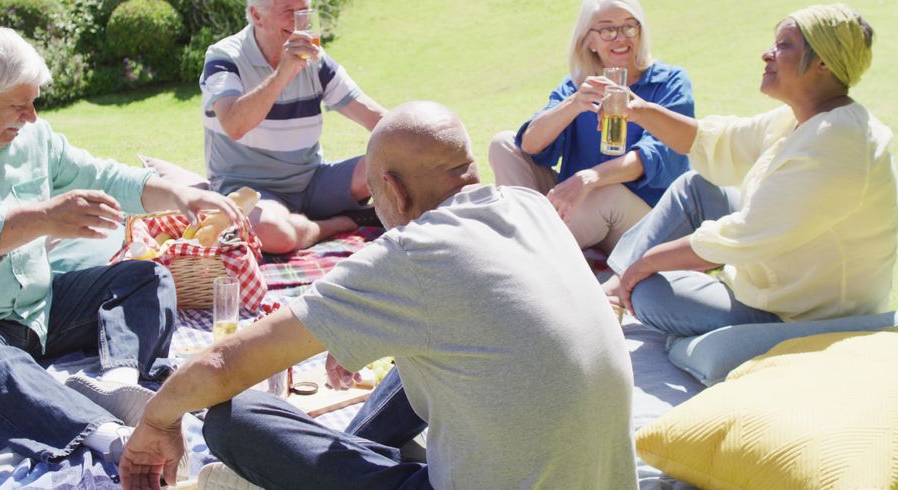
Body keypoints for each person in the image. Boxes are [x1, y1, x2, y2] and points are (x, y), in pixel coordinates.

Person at [119, 101, 638, 489]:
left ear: (390, 188)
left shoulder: (413, 256)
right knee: (439, 352)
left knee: (235, 421)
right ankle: (359, 447)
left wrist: (155, 421)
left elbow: (224, 364)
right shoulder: (532, 207)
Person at [0, 23, 242, 464]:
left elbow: (101, 176)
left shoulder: (32, 137)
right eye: (19, 105)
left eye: (33, 103)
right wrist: (42, 218)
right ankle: (108, 437)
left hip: (33, 312)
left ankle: (117, 382)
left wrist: (179, 194)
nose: (32, 117)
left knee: (146, 277)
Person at [603, 4, 897, 338]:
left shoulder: (835, 141)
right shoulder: (802, 118)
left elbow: (743, 234)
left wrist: (646, 264)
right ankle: (615, 289)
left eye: (784, 45)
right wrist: (637, 110)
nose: (767, 54)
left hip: (802, 312)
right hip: (782, 264)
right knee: (695, 187)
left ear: (823, 62)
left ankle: (623, 287)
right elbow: (716, 140)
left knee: (647, 293)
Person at [488, 0, 694, 254]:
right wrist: (574, 104)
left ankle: (527, 250)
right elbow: (530, 144)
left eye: (629, 27)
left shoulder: (669, 82)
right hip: (580, 208)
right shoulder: (577, 86)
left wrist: (588, 178)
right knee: (502, 144)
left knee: (606, 191)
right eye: (607, 30)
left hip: (643, 221)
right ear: (588, 40)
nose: (620, 38)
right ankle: (534, 242)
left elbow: (654, 157)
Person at [198, 0, 387, 254]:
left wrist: (419, 141)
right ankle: (339, 224)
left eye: (305, 10)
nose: (301, 21)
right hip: (251, 192)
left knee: (394, 160)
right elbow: (234, 124)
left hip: (312, 181)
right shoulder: (224, 58)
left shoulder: (316, 60)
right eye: (288, 11)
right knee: (272, 233)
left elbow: (376, 118)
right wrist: (284, 73)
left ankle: (309, 221)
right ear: (256, 16)